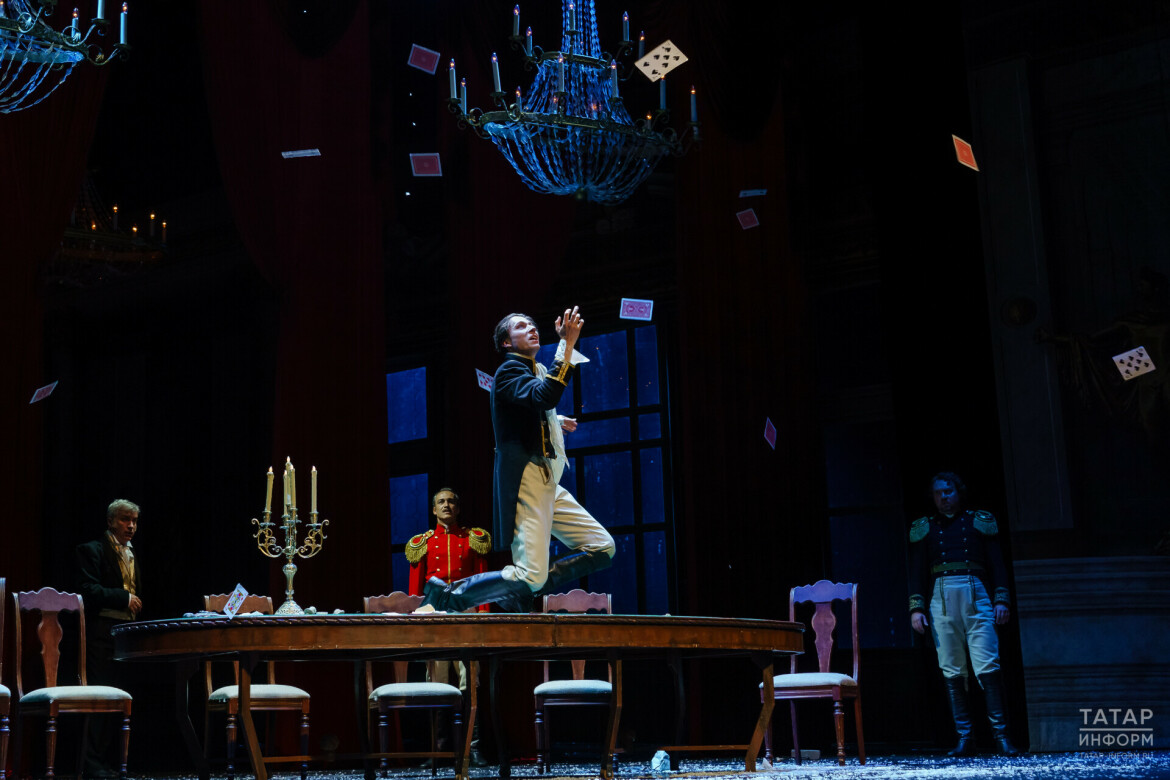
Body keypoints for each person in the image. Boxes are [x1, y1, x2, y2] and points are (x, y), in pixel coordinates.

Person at [420, 307, 615, 613]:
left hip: (549, 480)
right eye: (522, 327)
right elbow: (544, 396)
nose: (532, 329)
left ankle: (519, 589)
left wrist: (554, 420)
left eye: (533, 325)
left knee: (602, 547)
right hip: (529, 476)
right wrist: (566, 346)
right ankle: (446, 596)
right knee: (531, 575)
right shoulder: (509, 371)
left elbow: (534, 404)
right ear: (507, 342)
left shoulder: (532, 370)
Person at [908, 473, 1021, 757]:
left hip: (976, 593)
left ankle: (1001, 736)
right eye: (938, 493)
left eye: (948, 491)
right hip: (941, 598)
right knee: (952, 669)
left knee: (988, 666)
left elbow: (997, 563)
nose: (943, 497)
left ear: (958, 493)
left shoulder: (978, 521)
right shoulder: (926, 527)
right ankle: (965, 737)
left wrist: (1001, 599)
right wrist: (916, 608)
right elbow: (917, 570)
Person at [406, 487, 491, 764]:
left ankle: (473, 747)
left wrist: (483, 618)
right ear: (434, 509)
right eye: (441, 502)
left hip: (466, 617)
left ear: (458, 507)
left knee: (471, 682)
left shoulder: (473, 538)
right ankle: (439, 749)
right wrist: (417, 622)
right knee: (437, 682)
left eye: (451, 501)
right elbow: (415, 593)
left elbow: (482, 583)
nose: (446, 505)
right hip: (435, 618)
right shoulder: (422, 543)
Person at [76, 499, 143, 778]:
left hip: (125, 635)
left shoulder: (132, 552)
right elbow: (88, 590)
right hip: (102, 632)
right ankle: (92, 763)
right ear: (110, 521)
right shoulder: (92, 549)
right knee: (100, 698)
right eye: (125, 519)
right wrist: (124, 597)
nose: (131, 526)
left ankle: (109, 762)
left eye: (134, 521)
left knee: (118, 700)